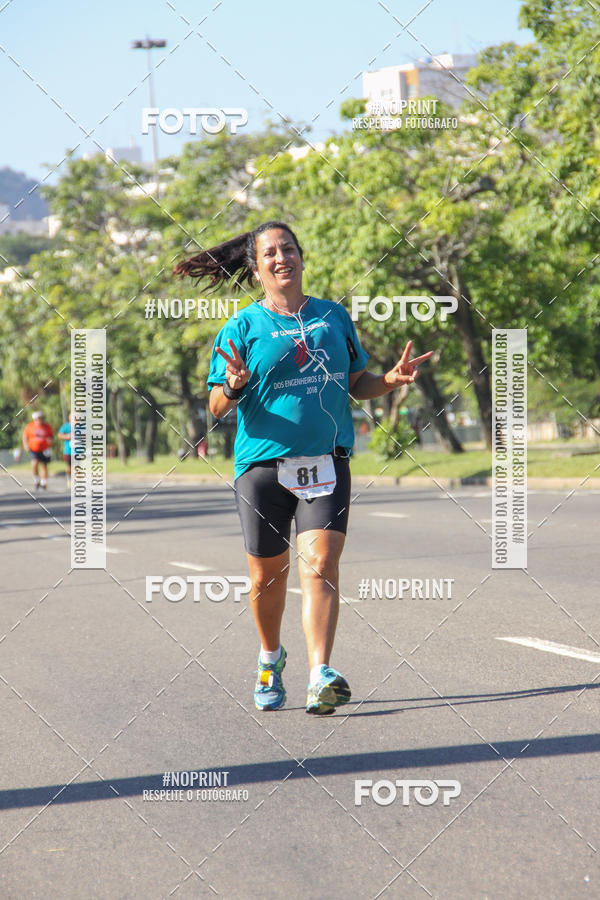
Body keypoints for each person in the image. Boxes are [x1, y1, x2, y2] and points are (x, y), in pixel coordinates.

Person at [174, 222, 432, 715]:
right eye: (269, 253)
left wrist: (389, 380)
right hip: (262, 467)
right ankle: (270, 658)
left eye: (288, 248)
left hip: (325, 460)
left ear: (301, 256)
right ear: (256, 269)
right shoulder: (241, 327)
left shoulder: (333, 316)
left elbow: (357, 382)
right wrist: (232, 386)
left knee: (321, 563)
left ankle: (320, 675)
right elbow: (216, 407)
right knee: (266, 578)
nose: (281, 258)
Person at [23, 410, 54, 490]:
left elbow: (51, 436)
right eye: (37, 418)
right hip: (34, 449)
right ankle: (36, 480)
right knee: (34, 464)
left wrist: (50, 441)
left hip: (45, 449)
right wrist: (26, 445)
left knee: (44, 465)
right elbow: (25, 436)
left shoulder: (47, 426)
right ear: (34, 419)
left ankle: (44, 482)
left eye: (40, 418)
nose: (39, 419)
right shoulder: (29, 426)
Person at [57, 412, 74, 486]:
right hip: (68, 451)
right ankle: (69, 478)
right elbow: (59, 435)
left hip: (78, 451)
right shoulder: (66, 426)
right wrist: (68, 436)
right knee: (69, 466)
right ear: (70, 418)